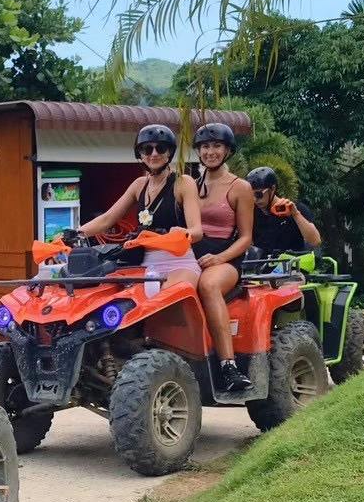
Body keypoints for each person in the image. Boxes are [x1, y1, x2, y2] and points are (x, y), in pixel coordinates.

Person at [76, 123, 202, 294]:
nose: (154, 154)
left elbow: (197, 231)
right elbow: (107, 219)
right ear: (140, 155)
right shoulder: (138, 185)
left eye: (161, 148)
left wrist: (184, 233)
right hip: (146, 264)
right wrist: (74, 234)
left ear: (169, 152)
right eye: (147, 149)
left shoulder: (183, 182)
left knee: (168, 297)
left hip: (179, 263)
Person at [191, 123, 256, 390]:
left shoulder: (240, 187)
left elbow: (246, 237)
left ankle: (228, 366)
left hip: (226, 259)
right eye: (205, 146)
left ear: (228, 150)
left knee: (208, 285)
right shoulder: (191, 185)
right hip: (192, 256)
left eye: (217, 146)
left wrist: (219, 258)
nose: (210, 152)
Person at [246, 166, 322, 255]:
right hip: (263, 262)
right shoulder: (251, 212)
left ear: (273, 188)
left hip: (293, 261)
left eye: (258, 195)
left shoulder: (294, 208)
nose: (255, 199)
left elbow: (315, 241)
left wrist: (295, 214)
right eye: (250, 195)